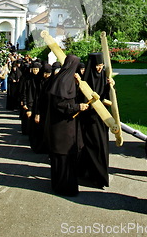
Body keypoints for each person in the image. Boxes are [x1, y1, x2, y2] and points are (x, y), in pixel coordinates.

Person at [45, 54, 88, 196]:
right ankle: (65, 187)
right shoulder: (64, 81)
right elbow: (61, 105)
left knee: (62, 158)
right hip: (62, 129)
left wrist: (77, 83)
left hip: (62, 127)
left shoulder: (63, 79)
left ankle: (59, 185)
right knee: (64, 157)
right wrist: (77, 107)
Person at [78, 52, 110, 189]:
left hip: (102, 119)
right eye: (97, 65)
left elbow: (108, 96)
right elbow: (81, 98)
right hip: (89, 120)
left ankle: (98, 175)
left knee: (102, 147)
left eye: (101, 65)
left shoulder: (103, 76)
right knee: (94, 147)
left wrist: (110, 86)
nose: (99, 68)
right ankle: (97, 176)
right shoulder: (86, 80)